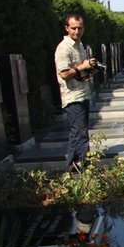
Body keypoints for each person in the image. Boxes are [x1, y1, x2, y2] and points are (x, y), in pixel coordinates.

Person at [54, 14, 98, 172]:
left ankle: (71, 168)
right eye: (73, 28)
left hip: (83, 93)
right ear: (67, 28)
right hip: (72, 97)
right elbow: (64, 74)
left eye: (80, 28)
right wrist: (82, 67)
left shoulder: (79, 45)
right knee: (81, 134)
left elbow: (81, 69)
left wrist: (90, 67)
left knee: (76, 133)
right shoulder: (63, 48)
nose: (77, 31)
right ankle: (87, 168)